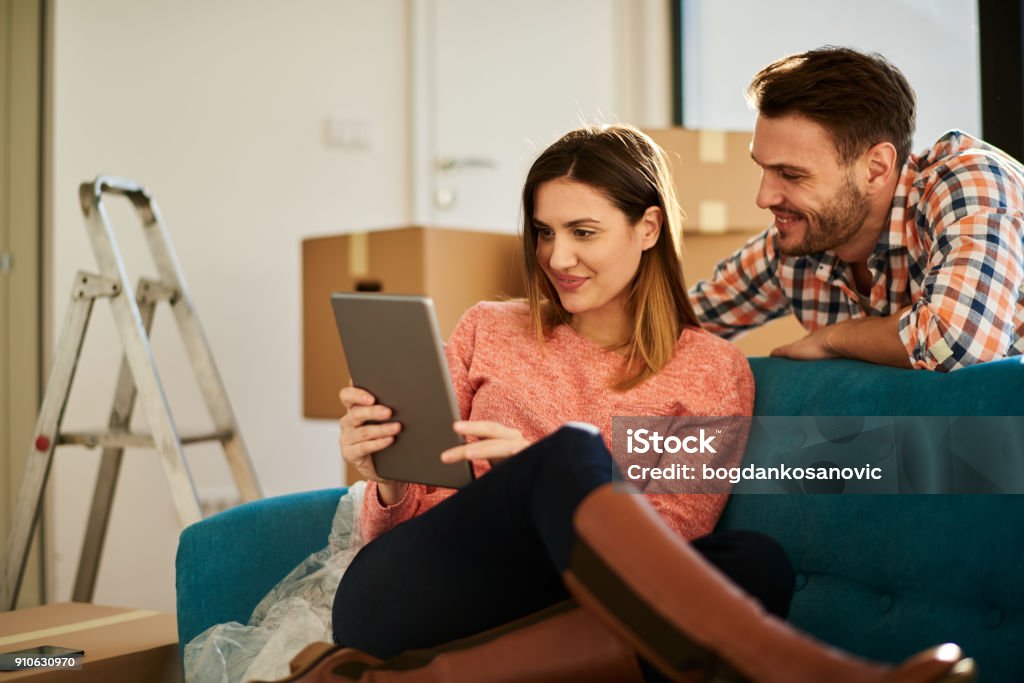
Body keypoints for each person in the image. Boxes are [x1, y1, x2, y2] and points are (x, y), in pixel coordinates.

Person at [329, 124, 972, 683]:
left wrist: (542, 476)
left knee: (754, 564)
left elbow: (671, 546)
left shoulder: (710, 371)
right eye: (544, 232)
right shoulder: (488, 329)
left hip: (557, 606)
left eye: (584, 231)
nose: (558, 256)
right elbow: (413, 513)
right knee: (568, 453)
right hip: (413, 588)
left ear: (648, 227)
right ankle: (815, 674)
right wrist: (385, 484)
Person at [689, 46, 1024, 372]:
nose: (763, 198)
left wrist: (833, 340)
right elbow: (669, 331)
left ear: (876, 168)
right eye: (763, 169)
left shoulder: (969, 183)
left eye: (791, 174)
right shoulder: (805, 239)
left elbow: (956, 344)